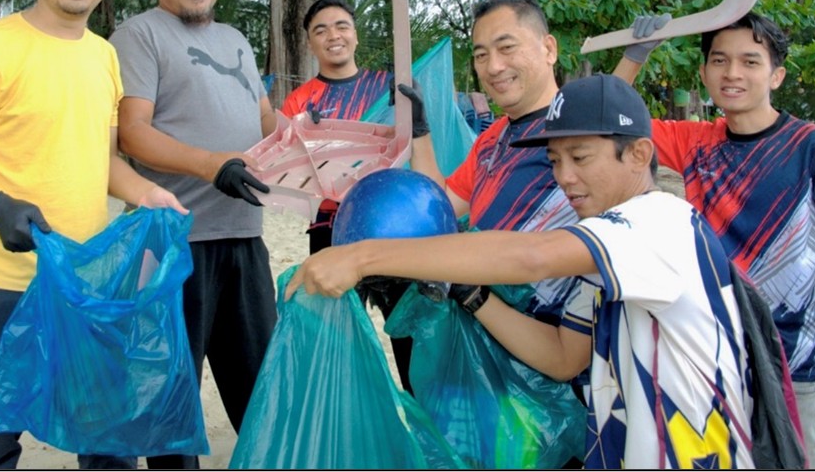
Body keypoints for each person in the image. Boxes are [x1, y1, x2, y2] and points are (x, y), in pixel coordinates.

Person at [288, 74, 756, 469]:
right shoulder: (604, 255)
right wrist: (474, 296)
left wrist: (361, 256)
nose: (565, 177)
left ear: (638, 155)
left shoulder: (661, 222)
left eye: (581, 157)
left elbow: (532, 255)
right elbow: (560, 356)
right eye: (554, 161)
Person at [0, 0, 185, 470]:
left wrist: (146, 192)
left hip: (89, 279)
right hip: (1, 280)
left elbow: (106, 160)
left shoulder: (104, 55)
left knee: (108, 437)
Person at [615, 11, 815, 465]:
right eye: (719, 60)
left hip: (795, 364)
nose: (732, 73)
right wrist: (636, 55)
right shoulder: (695, 142)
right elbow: (608, 126)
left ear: (777, 75)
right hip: (709, 355)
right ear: (704, 72)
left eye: (750, 61)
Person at [109, 0, 278, 470]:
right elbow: (132, 133)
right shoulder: (139, 34)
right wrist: (211, 166)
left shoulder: (236, 40)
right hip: (174, 243)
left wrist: (315, 144)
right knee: (171, 401)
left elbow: (265, 124)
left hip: (245, 241)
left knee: (263, 391)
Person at [402, 0, 580, 326]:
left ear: (549, 49)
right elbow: (440, 206)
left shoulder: (582, 133)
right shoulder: (492, 139)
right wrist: (419, 131)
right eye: (481, 55)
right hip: (482, 329)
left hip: (558, 344)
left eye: (507, 47)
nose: (493, 66)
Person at [280, 0, 392, 251]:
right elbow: (290, 174)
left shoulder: (388, 88)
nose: (333, 35)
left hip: (388, 209)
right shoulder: (298, 103)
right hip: (328, 221)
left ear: (355, 35)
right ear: (310, 44)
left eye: (342, 26)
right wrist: (310, 139)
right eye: (321, 31)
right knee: (331, 292)